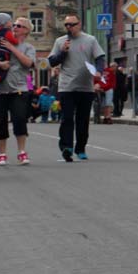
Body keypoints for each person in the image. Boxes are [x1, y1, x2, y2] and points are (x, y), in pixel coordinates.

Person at [47, 13, 106, 162]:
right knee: (67, 118)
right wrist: (63, 52)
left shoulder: (90, 40)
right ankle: (66, 147)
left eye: (72, 24)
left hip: (86, 86)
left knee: (83, 119)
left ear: (79, 25)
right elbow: (52, 61)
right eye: (66, 25)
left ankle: (81, 148)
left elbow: (99, 57)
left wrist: (99, 70)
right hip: (67, 86)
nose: (69, 27)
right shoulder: (60, 41)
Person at [0, 16, 36, 164]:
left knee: (19, 119)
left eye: (19, 26)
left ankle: (22, 151)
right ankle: (2, 154)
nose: (15, 27)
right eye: (14, 25)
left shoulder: (28, 48)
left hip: (19, 89)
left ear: (26, 31)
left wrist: (12, 48)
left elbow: (28, 63)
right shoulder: (0, 41)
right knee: (0, 121)